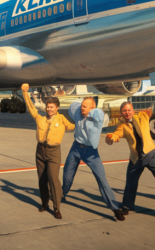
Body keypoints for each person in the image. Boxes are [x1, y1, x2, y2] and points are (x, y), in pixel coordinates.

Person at [62, 97, 125, 221]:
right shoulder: (77, 113)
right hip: (76, 148)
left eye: (85, 107)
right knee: (67, 174)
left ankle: (115, 208)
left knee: (101, 178)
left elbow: (101, 114)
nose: (82, 108)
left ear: (92, 109)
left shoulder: (97, 118)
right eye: (82, 106)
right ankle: (61, 194)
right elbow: (73, 106)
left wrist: (92, 112)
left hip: (91, 151)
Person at [21, 84, 75, 219]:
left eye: (52, 107)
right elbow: (31, 108)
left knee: (53, 178)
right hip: (40, 151)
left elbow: (73, 126)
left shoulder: (62, 119)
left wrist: (85, 119)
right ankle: (44, 203)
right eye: (48, 107)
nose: (49, 109)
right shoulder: (41, 119)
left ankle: (57, 207)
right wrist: (25, 92)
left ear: (57, 108)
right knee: (42, 179)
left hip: (53, 152)